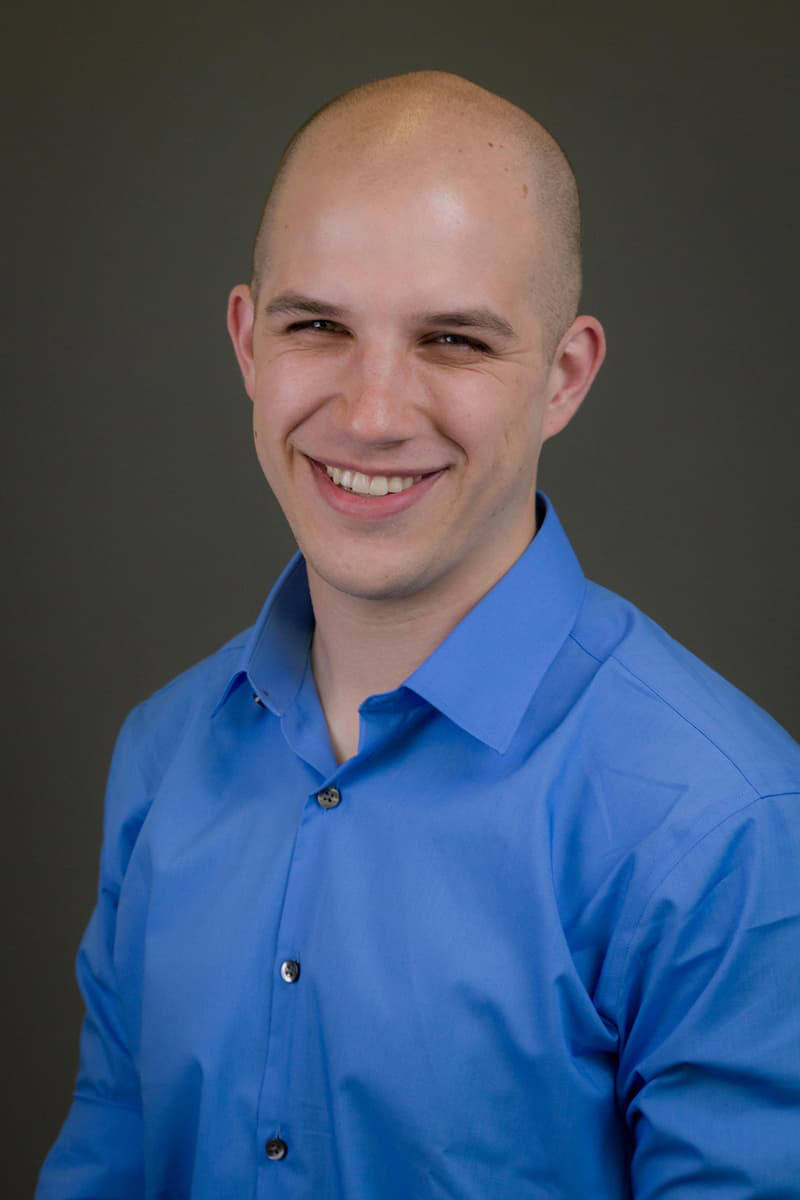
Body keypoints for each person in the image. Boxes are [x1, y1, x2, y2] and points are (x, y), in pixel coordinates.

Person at [37, 70, 800, 1199]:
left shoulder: (721, 829)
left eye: (451, 339)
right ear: (249, 344)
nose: (373, 413)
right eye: (317, 326)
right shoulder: (160, 757)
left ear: (563, 377)